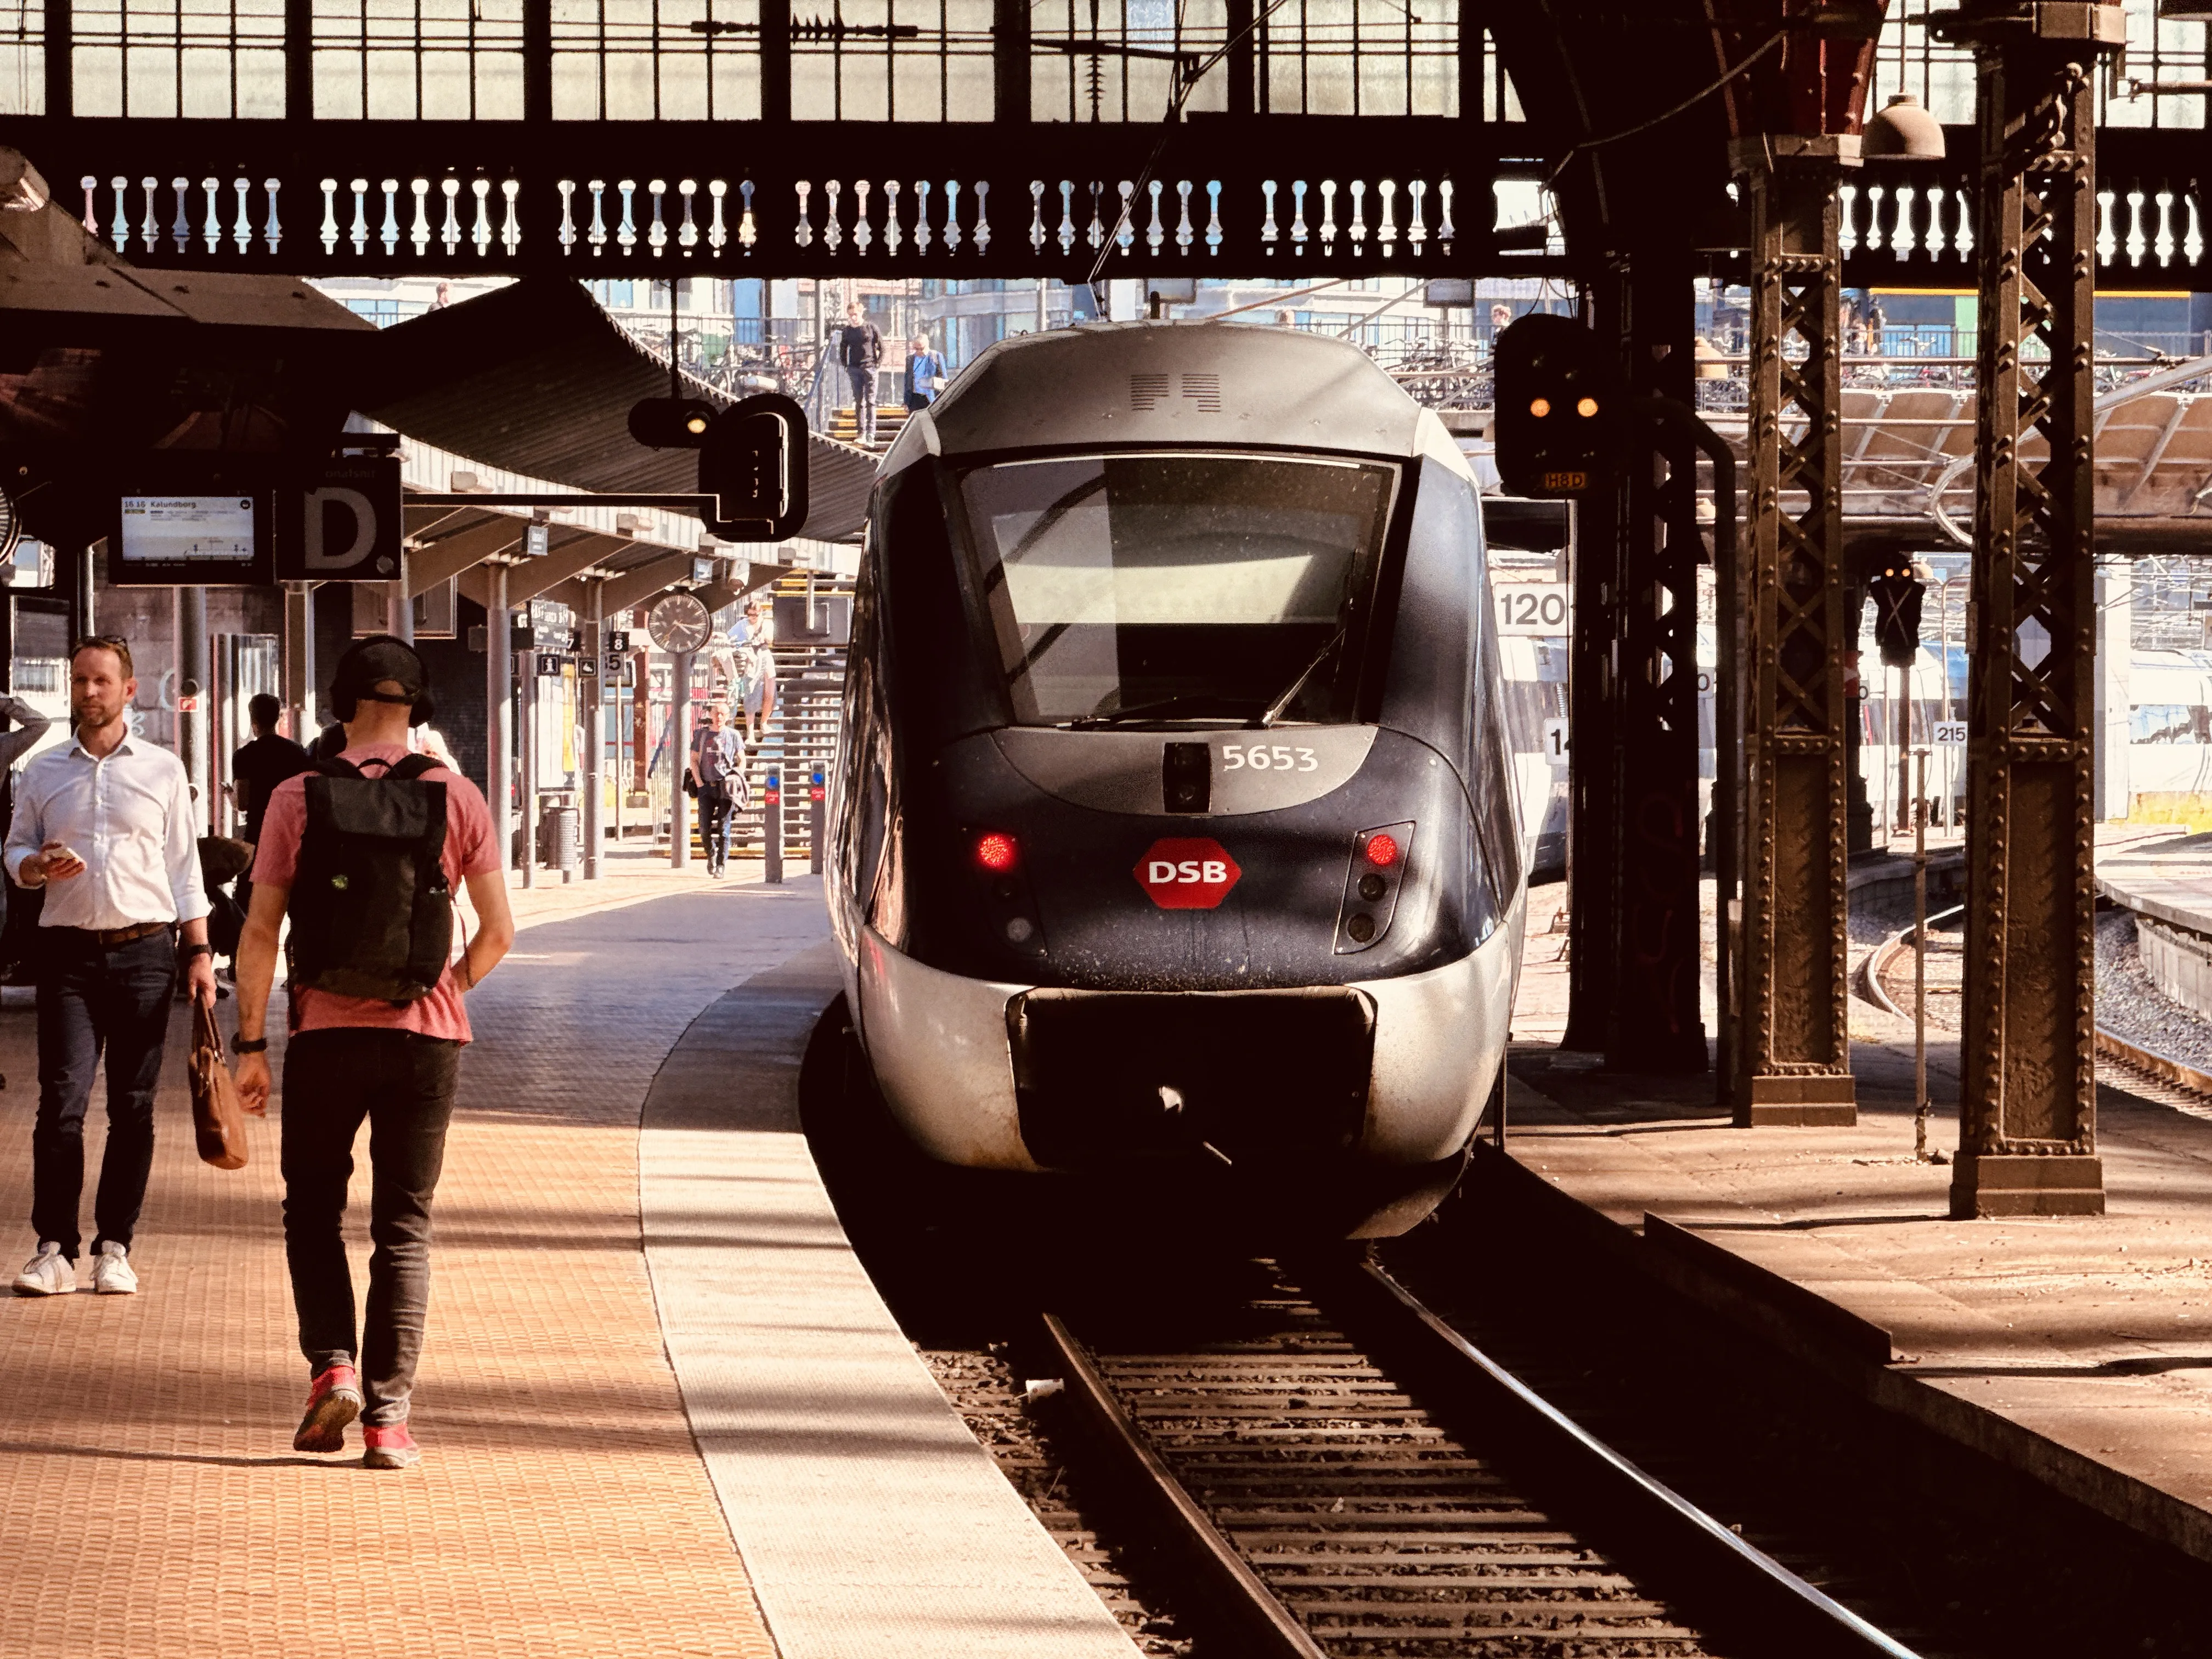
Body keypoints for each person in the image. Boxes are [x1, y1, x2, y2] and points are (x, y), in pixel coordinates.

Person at [233, 636, 514, 1471]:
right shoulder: (458, 797)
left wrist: (249, 1046)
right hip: (425, 1043)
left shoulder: (296, 796)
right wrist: (447, 986)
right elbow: (499, 935)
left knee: (312, 1212)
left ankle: (334, 1367)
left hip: (325, 1034)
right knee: (404, 1228)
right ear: (418, 707)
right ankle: (389, 1422)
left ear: (342, 704)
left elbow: (258, 934)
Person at [7, 636, 215, 1297]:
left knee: (133, 1107)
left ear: (129, 690)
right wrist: (33, 867)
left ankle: (114, 1245)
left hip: (146, 954)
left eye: (101, 681)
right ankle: (53, 1248)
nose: (88, 693)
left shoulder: (160, 770)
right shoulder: (43, 773)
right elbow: (14, 848)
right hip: (67, 955)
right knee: (61, 1105)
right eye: (78, 682)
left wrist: (200, 953)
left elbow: (185, 870)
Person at [686, 703, 746, 878]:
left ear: (728, 716)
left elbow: (742, 760)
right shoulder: (702, 734)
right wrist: (699, 783)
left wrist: (736, 776)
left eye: (723, 714)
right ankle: (711, 853)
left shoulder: (734, 735)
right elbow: (694, 760)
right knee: (704, 828)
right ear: (711, 714)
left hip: (726, 788)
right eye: (716, 713)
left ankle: (721, 864)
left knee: (724, 828)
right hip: (706, 786)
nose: (719, 717)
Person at [838, 301, 884, 444]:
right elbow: (843, 348)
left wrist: (878, 364)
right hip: (854, 369)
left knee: (871, 401)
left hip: (870, 367)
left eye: (855, 315)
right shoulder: (847, 331)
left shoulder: (871, 328)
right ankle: (861, 433)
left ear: (861, 312)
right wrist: (846, 365)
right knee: (859, 402)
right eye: (850, 315)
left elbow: (882, 346)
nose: (853, 318)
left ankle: (871, 434)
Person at [737, 597, 777, 744]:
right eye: (751, 615)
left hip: (764, 655)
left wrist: (763, 637)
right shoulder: (743, 625)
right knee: (751, 694)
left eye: (756, 615)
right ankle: (750, 732)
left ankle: (764, 722)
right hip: (750, 658)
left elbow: (771, 638)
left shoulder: (767, 624)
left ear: (761, 614)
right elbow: (734, 639)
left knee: (769, 691)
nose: (753, 618)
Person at [904, 333, 946, 412]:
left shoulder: (936, 356)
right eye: (916, 349)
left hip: (931, 398)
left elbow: (944, 379)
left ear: (927, 345)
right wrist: (906, 402)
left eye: (922, 348)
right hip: (915, 398)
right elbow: (907, 381)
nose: (919, 351)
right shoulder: (910, 359)